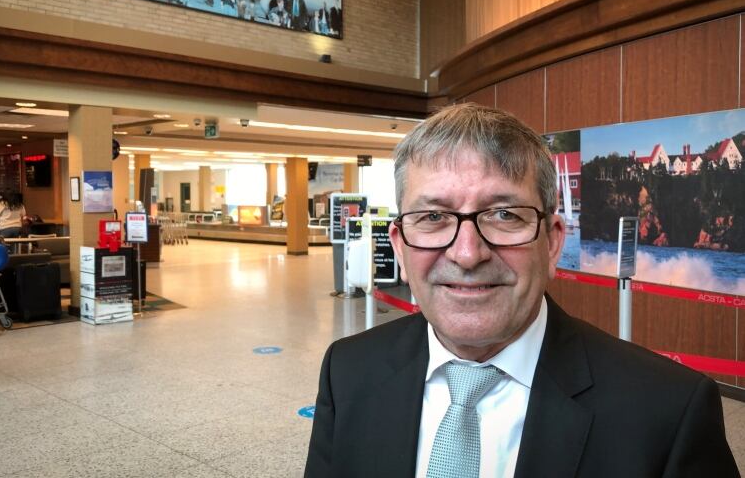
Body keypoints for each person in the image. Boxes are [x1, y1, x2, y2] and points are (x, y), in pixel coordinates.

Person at [304, 104, 738, 478]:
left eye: (504, 214)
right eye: (434, 217)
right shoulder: (347, 373)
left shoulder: (668, 411)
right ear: (399, 245)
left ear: (551, 242)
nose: (468, 254)